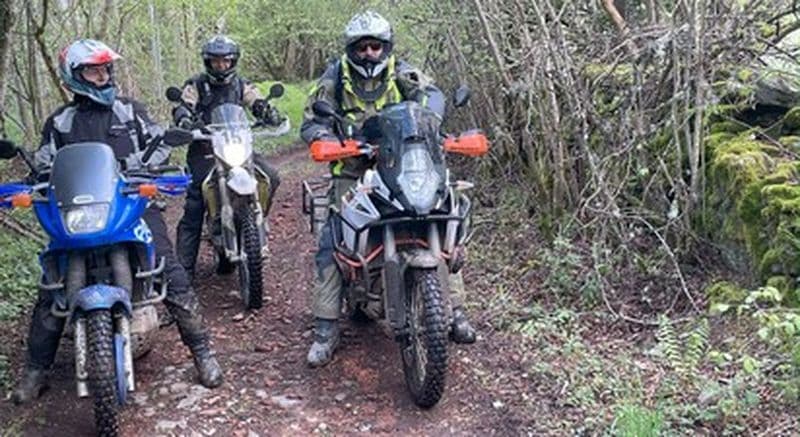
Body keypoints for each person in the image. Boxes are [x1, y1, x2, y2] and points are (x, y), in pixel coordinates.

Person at [12, 39, 223, 404]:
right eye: (93, 70)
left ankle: (203, 352)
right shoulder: (60, 122)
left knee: (169, 269)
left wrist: (154, 166)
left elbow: (158, 142)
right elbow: (45, 163)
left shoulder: (129, 111)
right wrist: (32, 179)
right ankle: (36, 370)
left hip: (129, 204)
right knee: (51, 282)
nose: (103, 76)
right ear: (74, 76)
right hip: (79, 212)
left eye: (105, 69)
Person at [300, 11, 476, 367]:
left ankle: (456, 311)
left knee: (442, 221)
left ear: (386, 47)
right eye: (362, 47)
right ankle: (325, 327)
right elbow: (312, 121)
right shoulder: (334, 78)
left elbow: (429, 95)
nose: (369, 53)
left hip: (403, 163)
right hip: (354, 169)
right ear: (351, 49)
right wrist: (326, 138)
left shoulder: (403, 72)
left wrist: (432, 121)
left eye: (376, 46)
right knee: (333, 238)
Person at [172, 35, 282, 280]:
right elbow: (183, 105)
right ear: (208, 62)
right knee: (195, 202)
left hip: (237, 146)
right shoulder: (196, 85)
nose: (221, 65)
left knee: (270, 176)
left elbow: (255, 99)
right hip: (205, 148)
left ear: (233, 61)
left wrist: (267, 111)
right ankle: (183, 272)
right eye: (215, 61)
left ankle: (255, 218)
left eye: (225, 61)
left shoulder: (241, 84)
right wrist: (184, 118)